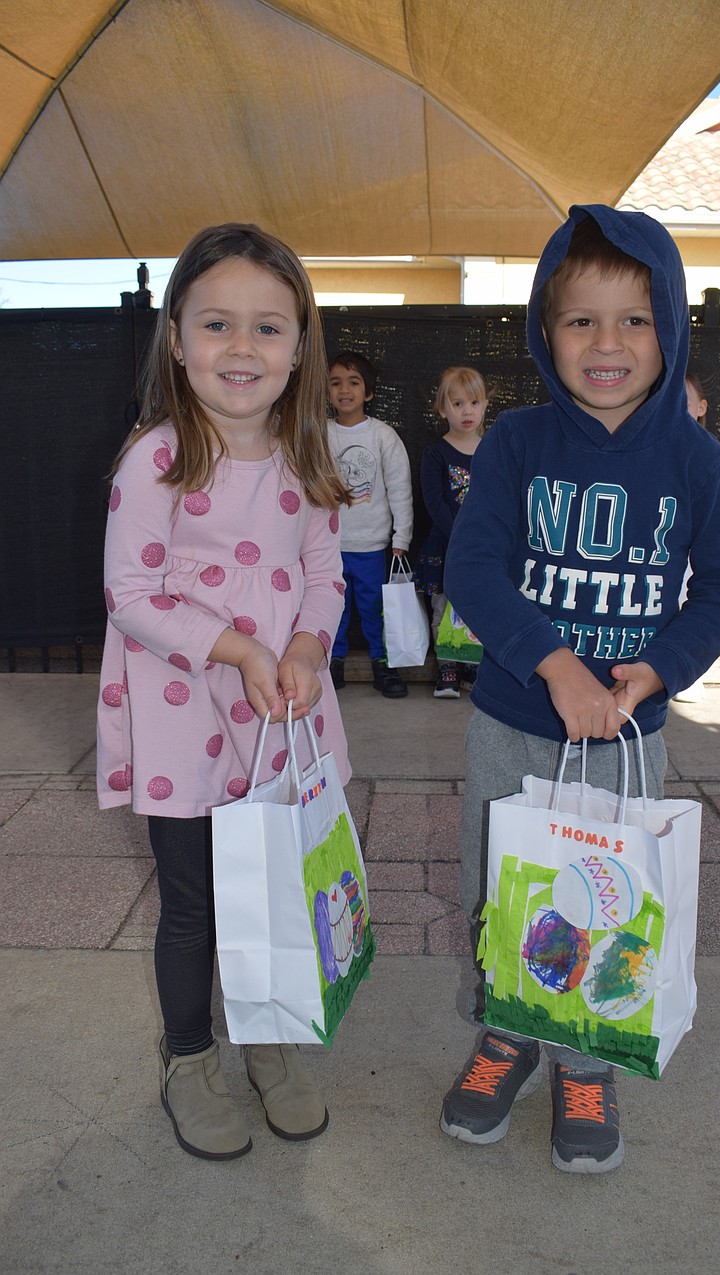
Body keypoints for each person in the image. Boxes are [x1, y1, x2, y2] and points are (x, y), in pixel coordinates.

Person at [441, 206, 720, 1173]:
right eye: (581, 320)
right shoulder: (515, 445)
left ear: (671, 327)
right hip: (512, 723)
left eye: (634, 319)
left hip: (627, 741)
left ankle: (587, 1057)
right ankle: (507, 1034)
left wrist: (653, 670)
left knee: (603, 900)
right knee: (504, 889)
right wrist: (556, 664)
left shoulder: (698, 463)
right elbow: (475, 568)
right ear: (546, 331)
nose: (607, 344)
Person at [97, 222, 351, 1161]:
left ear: (299, 346)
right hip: (188, 720)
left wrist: (308, 647)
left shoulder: (305, 458)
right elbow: (130, 595)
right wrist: (240, 646)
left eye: (267, 328)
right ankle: (189, 1056)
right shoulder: (155, 461)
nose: (241, 347)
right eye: (216, 324)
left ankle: (269, 1038)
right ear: (176, 337)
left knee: (277, 890)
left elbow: (325, 576)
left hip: (282, 720)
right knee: (195, 901)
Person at [326, 351, 413, 698]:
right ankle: (332, 663)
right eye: (335, 382)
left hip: (373, 546)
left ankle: (383, 665)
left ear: (369, 392)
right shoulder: (318, 434)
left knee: (377, 610)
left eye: (353, 382)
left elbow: (400, 489)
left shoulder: (383, 436)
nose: (344, 389)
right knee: (332, 609)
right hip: (327, 546)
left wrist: (401, 537)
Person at [415, 366, 489, 698]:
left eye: (473, 402)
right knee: (443, 608)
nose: (467, 411)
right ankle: (447, 668)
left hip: (485, 548)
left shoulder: (493, 449)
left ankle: (472, 667)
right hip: (445, 546)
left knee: (480, 605)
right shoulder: (436, 453)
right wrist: (460, 536)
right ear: (443, 409)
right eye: (457, 404)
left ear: (485, 404)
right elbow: (434, 501)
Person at [673, 369, 711, 702]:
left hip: (694, 547)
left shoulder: (712, 459)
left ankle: (690, 670)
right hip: (664, 542)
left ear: (701, 407)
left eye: (683, 403)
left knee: (691, 597)